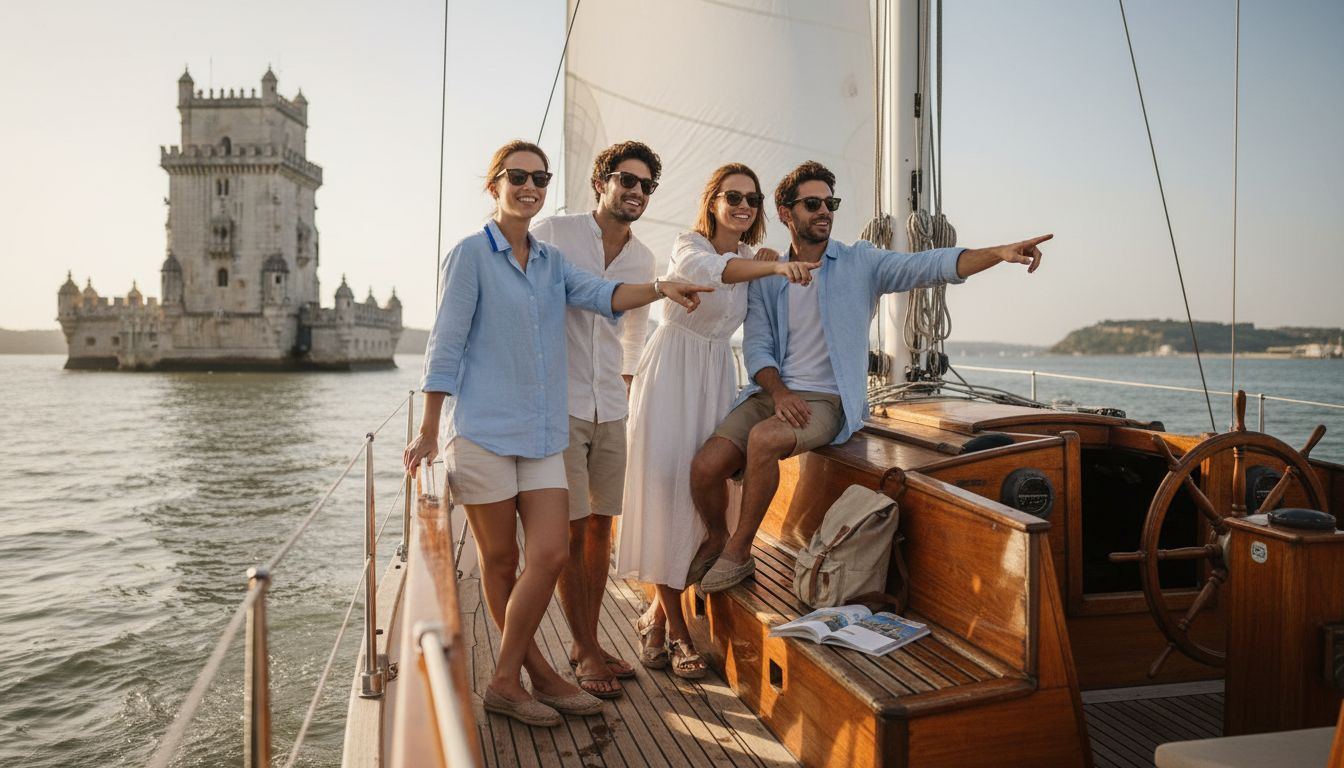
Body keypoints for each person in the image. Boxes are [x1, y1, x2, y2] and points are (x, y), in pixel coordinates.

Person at [404, 139, 712, 727]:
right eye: (517, 176)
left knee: (547, 553)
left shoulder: (550, 261)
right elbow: (443, 347)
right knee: (498, 561)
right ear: (493, 185)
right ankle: (532, 674)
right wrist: (426, 428)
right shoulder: (470, 255)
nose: (530, 186)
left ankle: (505, 677)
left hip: (544, 434)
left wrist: (661, 288)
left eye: (539, 178)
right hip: (485, 431)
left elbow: (602, 296)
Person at [691, 160, 1052, 593]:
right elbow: (758, 347)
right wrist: (780, 391)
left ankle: (738, 552)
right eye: (812, 204)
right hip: (773, 391)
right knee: (705, 466)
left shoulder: (860, 262)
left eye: (831, 203)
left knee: (764, 440)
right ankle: (716, 534)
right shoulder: (768, 273)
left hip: (829, 399)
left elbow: (928, 265)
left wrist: (996, 253)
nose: (824, 211)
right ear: (787, 214)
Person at [615, 163, 819, 678]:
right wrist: (771, 268)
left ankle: (657, 617)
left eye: (751, 197)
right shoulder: (691, 247)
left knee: (699, 498)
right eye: (732, 196)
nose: (743, 204)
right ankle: (678, 635)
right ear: (713, 201)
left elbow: (763, 307)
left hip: (713, 378)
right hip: (670, 376)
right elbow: (714, 275)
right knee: (665, 497)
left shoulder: (754, 256)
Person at [529, 141, 661, 699]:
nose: (635, 192)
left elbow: (632, 337)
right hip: (559, 404)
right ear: (600, 182)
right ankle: (584, 647)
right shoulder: (555, 234)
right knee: (573, 528)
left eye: (645, 186)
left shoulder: (644, 260)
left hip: (610, 405)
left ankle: (591, 640)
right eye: (625, 180)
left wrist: (624, 397)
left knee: (602, 530)